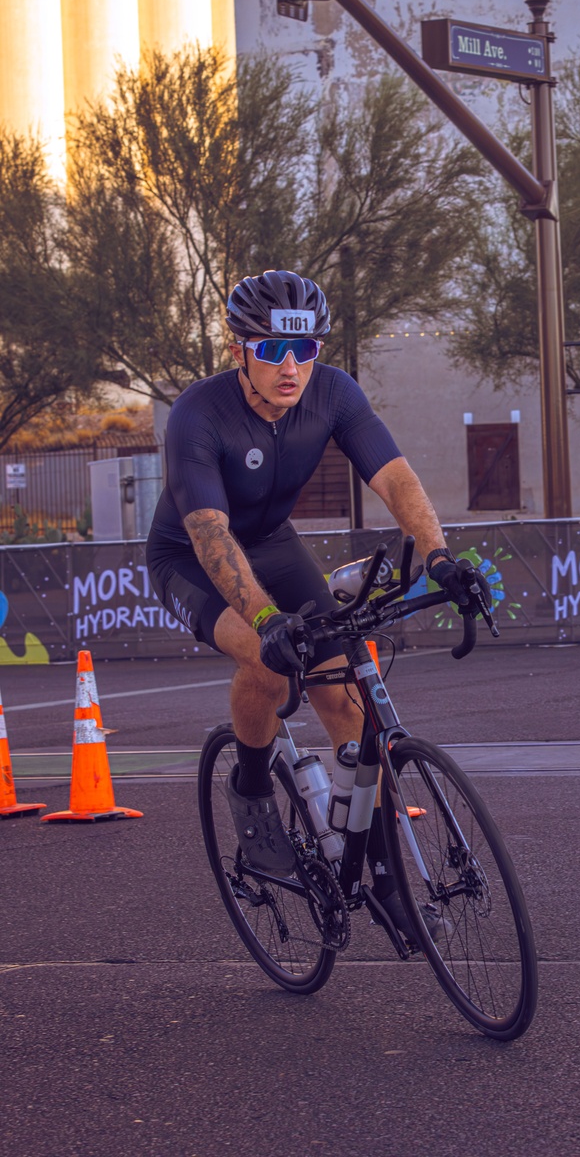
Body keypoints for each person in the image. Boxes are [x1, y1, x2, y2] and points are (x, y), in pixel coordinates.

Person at [146, 269, 489, 938]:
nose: (291, 367)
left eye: (305, 351)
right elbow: (211, 534)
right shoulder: (199, 412)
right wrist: (268, 621)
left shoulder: (333, 392)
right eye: (273, 350)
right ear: (237, 348)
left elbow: (394, 476)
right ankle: (250, 788)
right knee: (273, 665)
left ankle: (379, 869)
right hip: (191, 557)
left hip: (272, 543)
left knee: (346, 699)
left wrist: (441, 555)